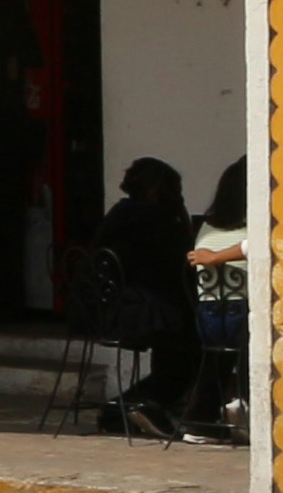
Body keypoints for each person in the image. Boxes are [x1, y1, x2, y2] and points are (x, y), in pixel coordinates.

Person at [97, 153, 209, 439]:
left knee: (182, 344)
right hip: (142, 309)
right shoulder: (155, 220)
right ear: (158, 191)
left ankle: (129, 407)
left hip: (116, 306)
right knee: (195, 345)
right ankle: (145, 405)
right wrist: (182, 216)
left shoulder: (119, 213)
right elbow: (181, 259)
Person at [185, 158, 254, 441]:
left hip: (208, 315)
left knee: (216, 359)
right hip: (243, 314)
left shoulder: (207, 228)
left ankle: (199, 421)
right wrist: (219, 257)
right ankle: (248, 406)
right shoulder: (256, 225)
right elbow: (259, 244)